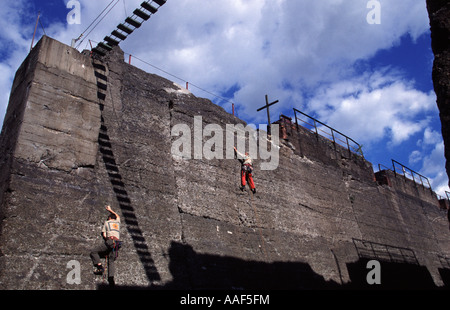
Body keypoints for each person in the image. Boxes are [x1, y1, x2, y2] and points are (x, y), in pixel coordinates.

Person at [90, 205, 121, 286]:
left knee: (94, 251)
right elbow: (117, 215)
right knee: (111, 261)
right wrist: (110, 210)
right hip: (118, 243)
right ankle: (111, 278)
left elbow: (104, 234)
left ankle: (100, 268)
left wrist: (107, 239)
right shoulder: (117, 222)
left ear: (109, 218)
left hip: (110, 241)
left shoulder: (107, 222)